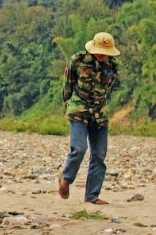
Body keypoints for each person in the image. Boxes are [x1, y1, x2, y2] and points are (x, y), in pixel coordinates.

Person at [59, 32, 120, 205]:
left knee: (99, 155)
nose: (102, 55)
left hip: (100, 113)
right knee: (79, 149)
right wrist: (69, 106)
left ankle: (92, 196)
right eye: (100, 51)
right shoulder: (77, 60)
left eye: (105, 52)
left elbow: (108, 88)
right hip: (79, 110)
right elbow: (68, 85)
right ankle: (66, 178)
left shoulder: (112, 65)